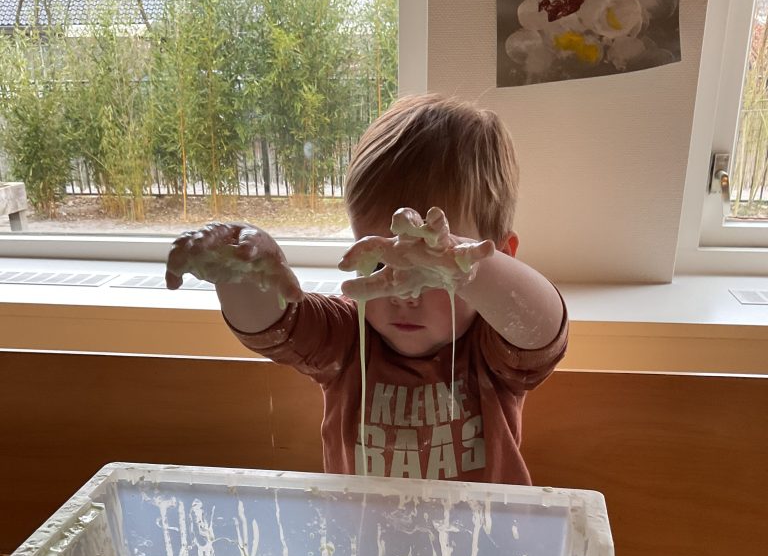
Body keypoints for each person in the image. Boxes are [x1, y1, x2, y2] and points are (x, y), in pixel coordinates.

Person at [165, 94, 568, 484]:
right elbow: (273, 327)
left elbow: (543, 332)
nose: (403, 294)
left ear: (501, 257)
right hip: (361, 530)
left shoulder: (492, 347)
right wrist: (242, 272)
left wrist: (471, 270)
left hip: (484, 532)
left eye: (431, 272)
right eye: (378, 262)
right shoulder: (347, 335)